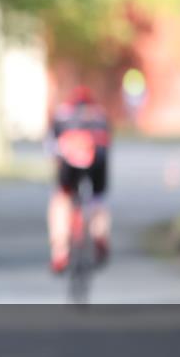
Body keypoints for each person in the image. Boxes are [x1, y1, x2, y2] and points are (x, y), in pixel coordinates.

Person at [47, 85, 112, 274]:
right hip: (98, 158)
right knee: (97, 199)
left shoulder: (62, 114)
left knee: (61, 199)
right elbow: (108, 143)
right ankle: (100, 234)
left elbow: (50, 147)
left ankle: (60, 252)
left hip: (69, 160)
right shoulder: (100, 114)